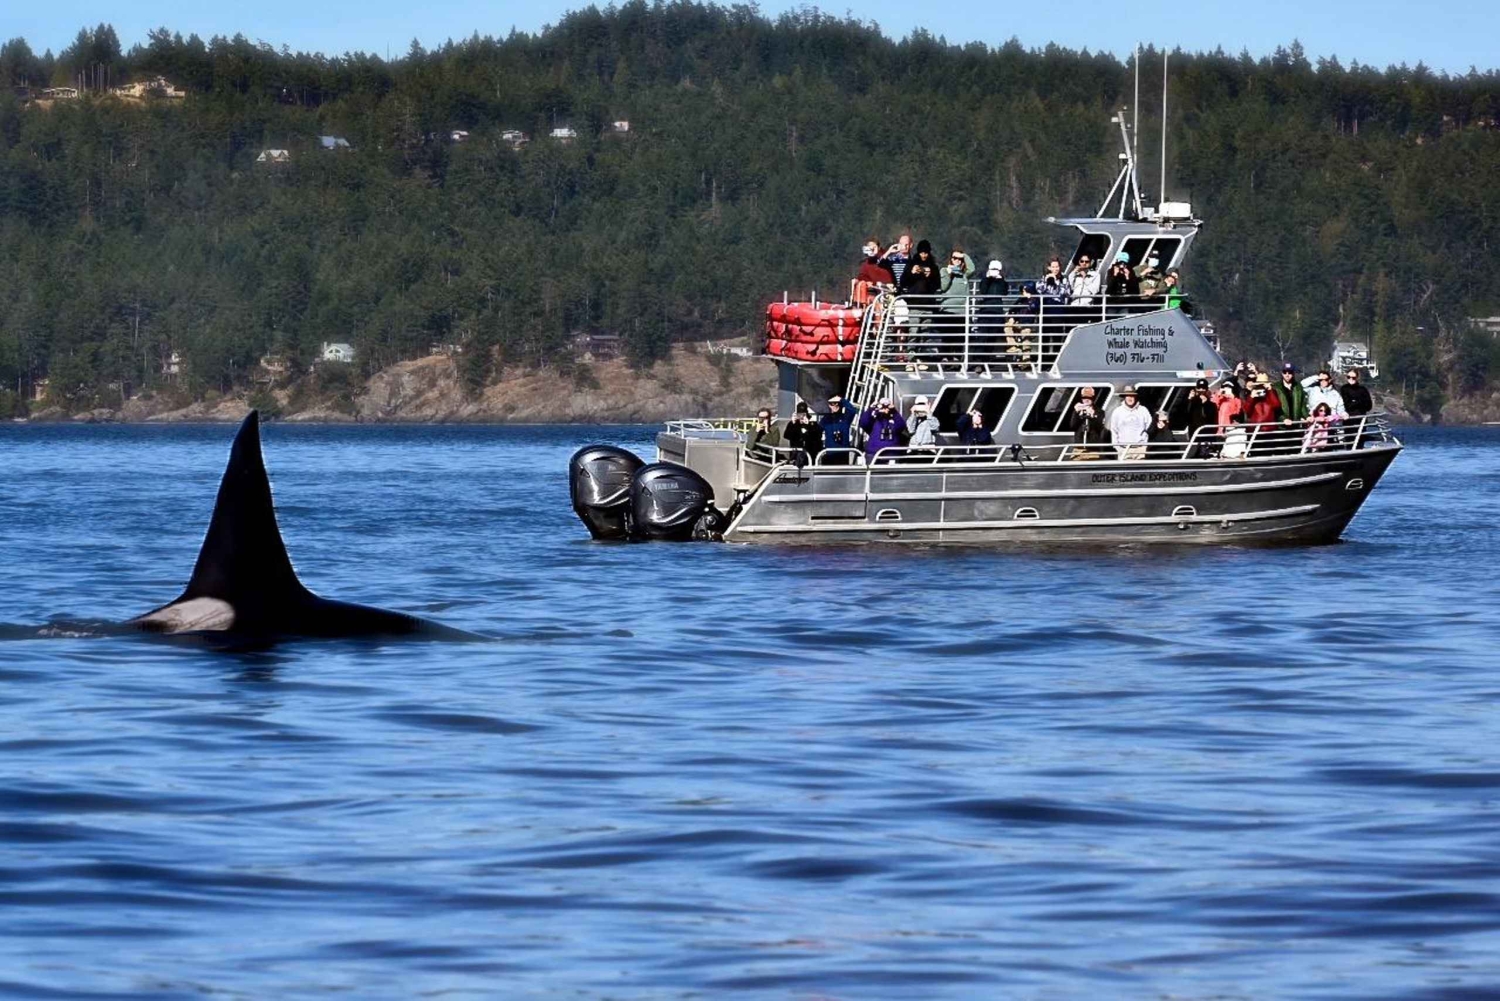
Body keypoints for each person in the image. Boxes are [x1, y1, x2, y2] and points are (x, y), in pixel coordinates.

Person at [1107, 384, 1153, 460]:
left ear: (1135, 397)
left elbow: (1150, 428)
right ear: (1124, 397)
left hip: (1140, 449)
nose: (1130, 398)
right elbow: (1114, 430)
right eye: (1128, 396)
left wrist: (1145, 445)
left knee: (1141, 471)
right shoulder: (1117, 411)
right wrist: (1116, 447)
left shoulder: (1143, 410)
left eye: (1132, 396)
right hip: (1123, 449)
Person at [859, 398, 908, 463]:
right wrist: (871, 409)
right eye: (882, 407)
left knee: (890, 472)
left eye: (887, 407)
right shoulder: (874, 420)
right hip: (873, 453)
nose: (885, 409)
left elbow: (901, 425)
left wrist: (894, 411)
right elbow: (864, 423)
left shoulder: (894, 419)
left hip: (891, 453)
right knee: (872, 472)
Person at [852, 238, 895, 306]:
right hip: (873, 292)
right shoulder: (866, 263)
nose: (871, 249)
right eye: (869, 247)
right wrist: (867, 281)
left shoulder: (885, 258)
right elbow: (862, 275)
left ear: (878, 247)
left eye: (873, 247)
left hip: (886, 290)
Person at [1068, 386, 1107, 457]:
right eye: (1084, 397)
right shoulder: (1078, 411)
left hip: (1093, 449)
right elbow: (1072, 426)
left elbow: (1100, 428)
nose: (1086, 400)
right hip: (1079, 448)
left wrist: (1093, 415)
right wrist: (1076, 413)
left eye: (1089, 398)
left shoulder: (1100, 412)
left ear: (1093, 398)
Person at [819, 394, 857, 462]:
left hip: (843, 453)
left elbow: (852, 410)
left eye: (837, 403)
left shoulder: (845, 418)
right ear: (829, 405)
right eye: (832, 404)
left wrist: (841, 399)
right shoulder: (826, 419)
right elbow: (817, 431)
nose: (835, 405)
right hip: (830, 453)